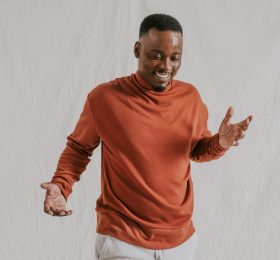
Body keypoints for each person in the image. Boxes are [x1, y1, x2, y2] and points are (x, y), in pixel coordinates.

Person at [40, 13, 253, 260]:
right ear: (137, 49)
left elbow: (196, 150)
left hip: (181, 242)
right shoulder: (104, 99)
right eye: (156, 55)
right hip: (123, 241)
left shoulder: (190, 98)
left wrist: (220, 142)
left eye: (175, 58)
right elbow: (78, 148)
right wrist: (61, 185)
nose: (166, 66)